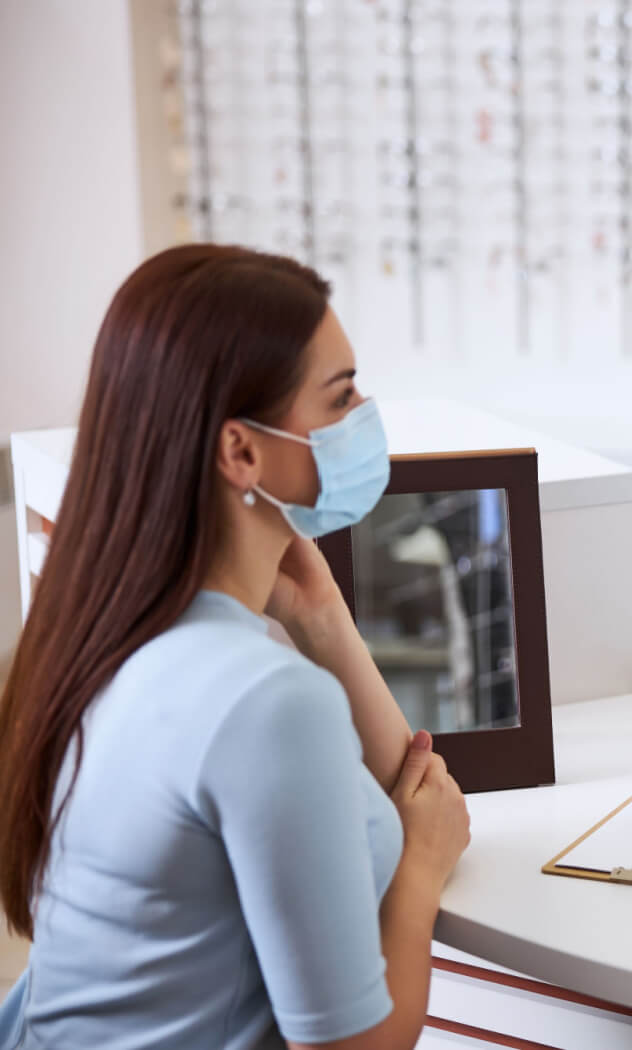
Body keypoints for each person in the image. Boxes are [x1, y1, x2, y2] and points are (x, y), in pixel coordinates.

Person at [0, 245, 471, 1048]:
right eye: (341, 395)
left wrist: (322, 620)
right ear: (241, 451)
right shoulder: (265, 699)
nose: (363, 415)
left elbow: (406, 789)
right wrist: (420, 876)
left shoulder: (103, 632)